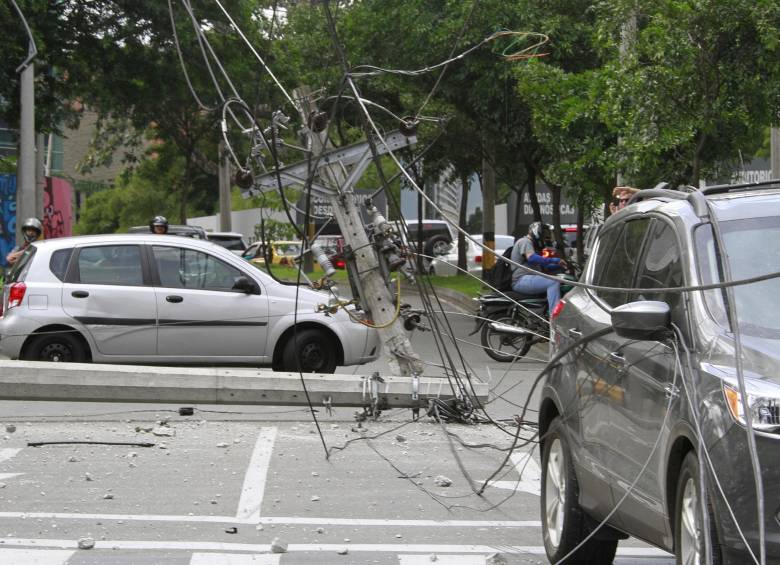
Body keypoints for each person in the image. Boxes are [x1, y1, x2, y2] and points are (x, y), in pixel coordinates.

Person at [510, 221, 567, 313]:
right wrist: (555, 260)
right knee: (553, 281)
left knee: (559, 279)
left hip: (528, 278)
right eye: (544, 234)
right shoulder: (525, 242)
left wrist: (559, 266)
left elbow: (542, 266)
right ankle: (554, 317)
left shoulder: (532, 245)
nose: (545, 237)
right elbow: (532, 258)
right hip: (521, 280)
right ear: (537, 232)